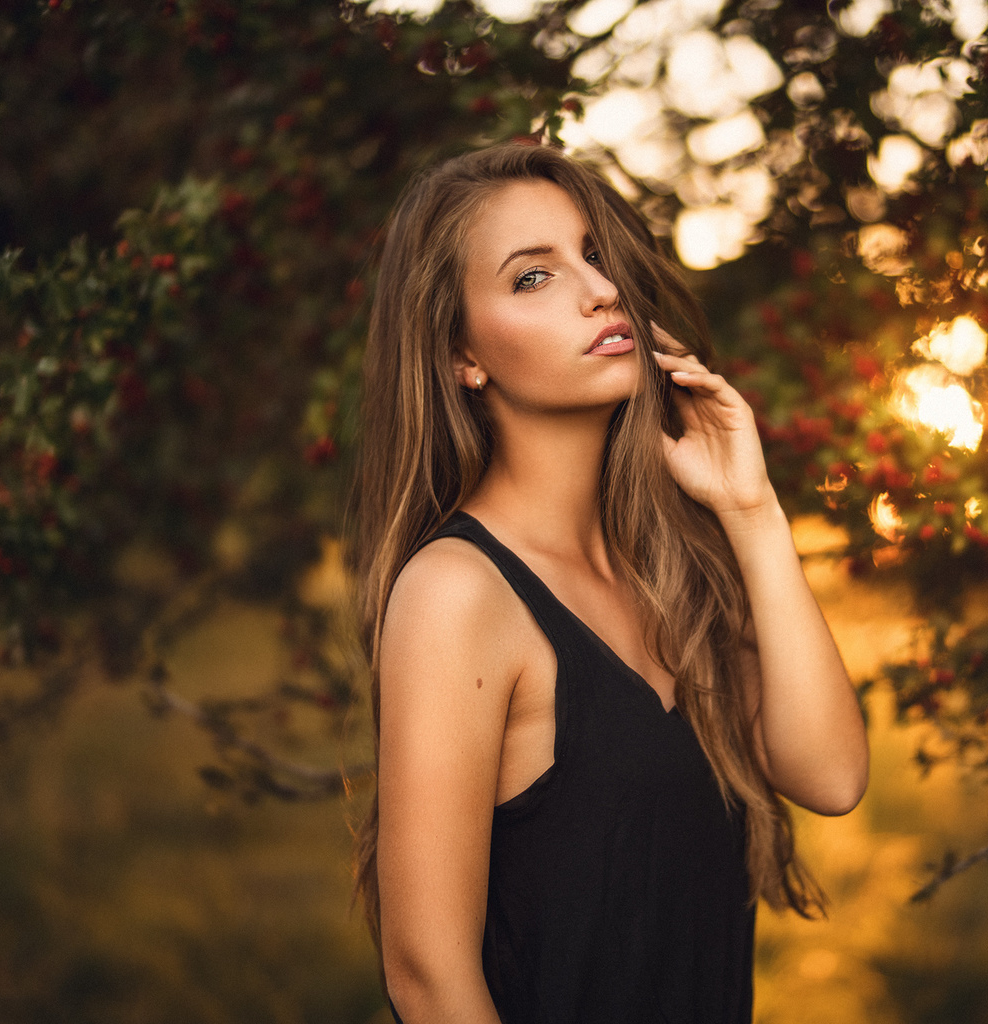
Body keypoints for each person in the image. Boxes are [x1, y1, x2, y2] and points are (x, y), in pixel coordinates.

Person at [351, 143, 868, 1024]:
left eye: (596, 255)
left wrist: (751, 513)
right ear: (461, 357)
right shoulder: (458, 594)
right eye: (531, 278)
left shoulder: (673, 566)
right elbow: (429, 981)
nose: (598, 290)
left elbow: (830, 777)